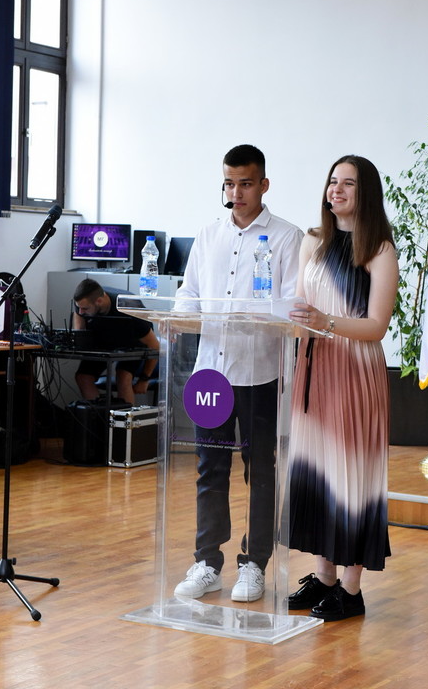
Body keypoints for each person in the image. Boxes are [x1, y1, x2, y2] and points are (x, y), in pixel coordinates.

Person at [173, 144, 303, 602]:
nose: (236, 193)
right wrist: (178, 318)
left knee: (259, 472)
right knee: (209, 469)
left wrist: (257, 316)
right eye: (229, 184)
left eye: (245, 184)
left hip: (259, 373)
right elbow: (188, 293)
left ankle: (254, 564)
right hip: (210, 374)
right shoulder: (208, 235)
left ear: (263, 185)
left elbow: (292, 305)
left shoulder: (287, 237)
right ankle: (207, 563)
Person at [287, 154, 399, 621]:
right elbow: (299, 306)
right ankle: (325, 578)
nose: (336, 189)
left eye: (348, 183)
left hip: (355, 370)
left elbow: (376, 325)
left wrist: (325, 321)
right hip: (314, 368)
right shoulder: (314, 241)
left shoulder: (379, 249)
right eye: (333, 181)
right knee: (317, 471)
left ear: (365, 192)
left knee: (352, 477)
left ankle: (351, 590)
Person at [72, 278, 159, 405]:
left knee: (123, 377)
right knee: (83, 377)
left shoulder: (129, 307)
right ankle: (97, 414)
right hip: (105, 339)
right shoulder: (83, 302)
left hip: (132, 342)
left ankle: (124, 417)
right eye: (79, 308)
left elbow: (154, 345)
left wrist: (144, 379)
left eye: (84, 309)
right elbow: (79, 318)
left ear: (99, 301)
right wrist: (79, 336)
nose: (81, 312)